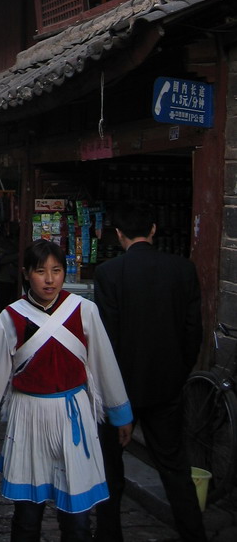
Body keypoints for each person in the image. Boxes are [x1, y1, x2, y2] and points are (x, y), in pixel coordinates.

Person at [0, 240, 133, 542]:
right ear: (27, 274)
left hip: (72, 415)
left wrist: (120, 413)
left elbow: (104, 363)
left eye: (56, 270)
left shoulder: (84, 311)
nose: (49, 279)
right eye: (41, 271)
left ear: (65, 273)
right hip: (28, 416)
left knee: (77, 520)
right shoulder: (10, 317)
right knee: (27, 516)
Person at [94, 203, 206, 542]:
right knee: (174, 468)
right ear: (153, 230)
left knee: (111, 469)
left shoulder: (109, 273)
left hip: (119, 388)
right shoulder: (182, 269)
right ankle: (193, 534)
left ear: (118, 234)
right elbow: (193, 332)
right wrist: (178, 371)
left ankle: (109, 535)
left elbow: (106, 338)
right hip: (165, 385)